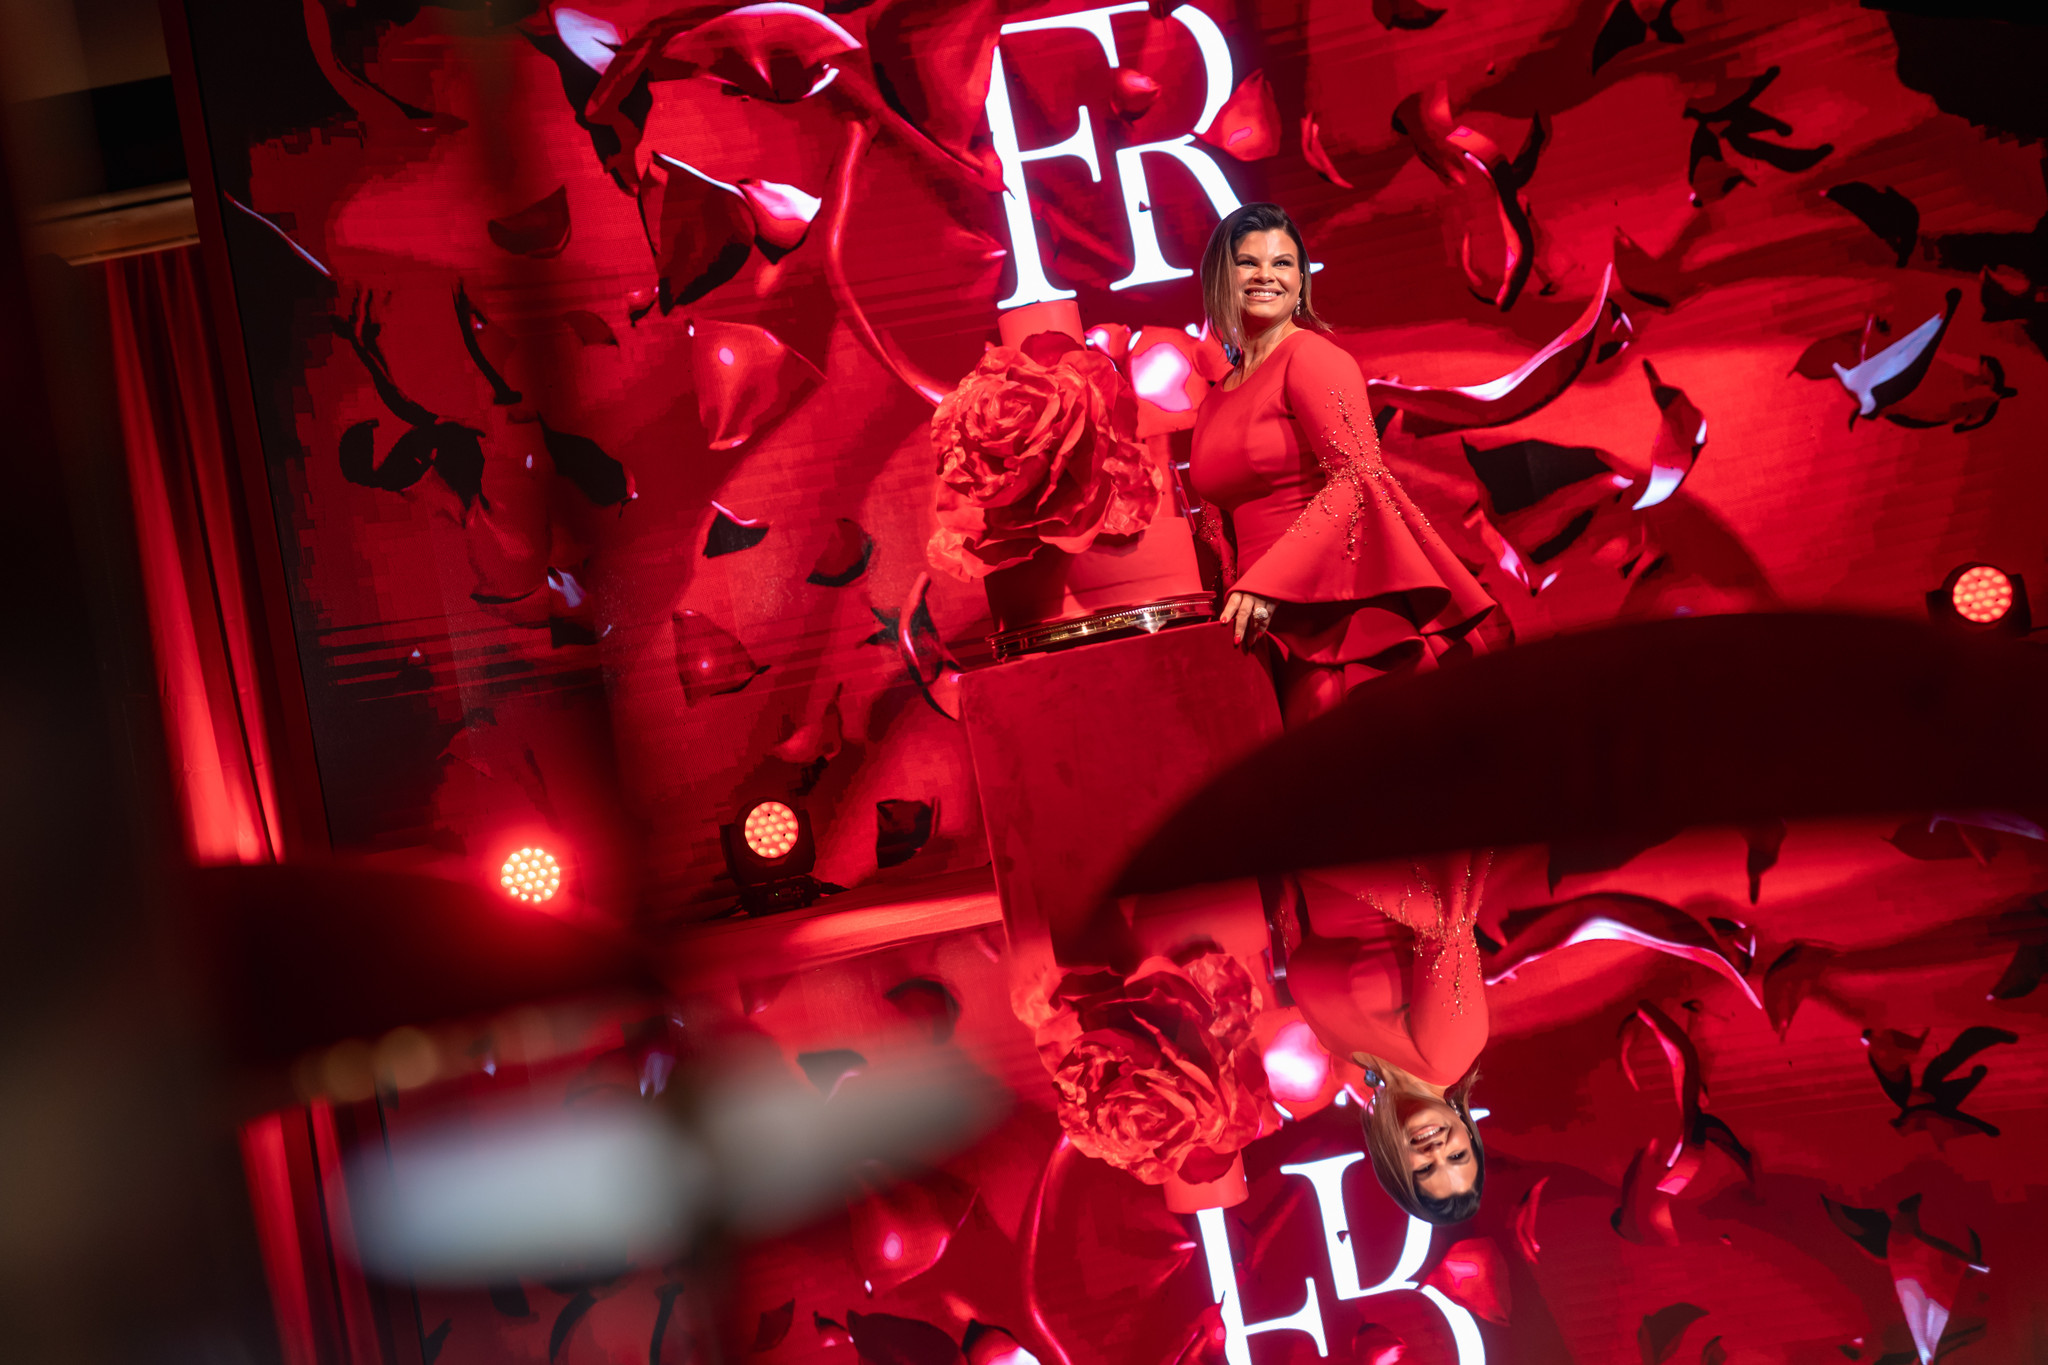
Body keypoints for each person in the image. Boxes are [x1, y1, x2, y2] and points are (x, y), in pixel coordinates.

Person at [1188, 202, 1495, 728]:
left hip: (1336, 621)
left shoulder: (1311, 358)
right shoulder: (1213, 401)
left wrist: (1270, 583)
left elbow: (1357, 479)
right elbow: (1218, 527)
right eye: (1248, 262)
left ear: (1302, 283)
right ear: (1219, 277)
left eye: (1283, 263)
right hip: (1263, 634)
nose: (1267, 275)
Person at [1285, 853, 1491, 1224]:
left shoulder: (1347, 1055)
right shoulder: (1448, 1052)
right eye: (1458, 1156)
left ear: (1395, 1168)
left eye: (1425, 1169)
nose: (1436, 1151)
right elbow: (1445, 912)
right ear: (1468, 1131)